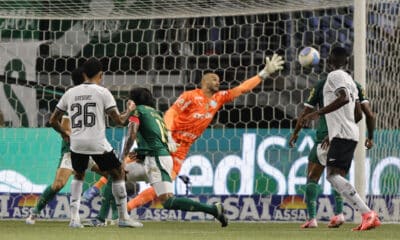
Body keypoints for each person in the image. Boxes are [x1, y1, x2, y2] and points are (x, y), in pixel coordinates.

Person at [83, 53, 285, 210]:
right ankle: (95, 189)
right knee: (125, 165)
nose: (218, 81)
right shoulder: (190, 95)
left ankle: (127, 208)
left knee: (163, 185)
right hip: (164, 140)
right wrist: (168, 134)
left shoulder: (219, 99)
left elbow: (241, 89)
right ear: (204, 82)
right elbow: (171, 112)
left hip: (182, 149)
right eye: (214, 78)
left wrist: (263, 74)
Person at [88, 87, 228, 227]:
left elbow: (131, 133)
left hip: (157, 160)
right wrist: (142, 152)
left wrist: (123, 158)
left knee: (167, 201)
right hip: (152, 158)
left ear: (133, 100)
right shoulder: (157, 114)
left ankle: (214, 210)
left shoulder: (138, 111)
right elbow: (157, 138)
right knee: (115, 175)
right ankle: (104, 219)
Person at [48, 58, 142, 228]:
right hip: (97, 142)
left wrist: (65, 134)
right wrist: (130, 109)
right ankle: (123, 217)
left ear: (83, 74)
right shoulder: (103, 92)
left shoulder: (70, 92)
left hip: (76, 143)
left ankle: (74, 219)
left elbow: (53, 120)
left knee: (79, 175)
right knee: (118, 173)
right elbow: (120, 121)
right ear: (101, 75)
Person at [301, 47, 380, 231]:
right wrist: (335, 130)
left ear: (330, 60)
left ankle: (367, 213)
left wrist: (317, 113)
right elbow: (358, 113)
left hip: (343, 134)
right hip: (347, 133)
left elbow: (344, 99)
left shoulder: (334, 76)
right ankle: (365, 215)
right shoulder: (352, 82)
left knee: (332, 176)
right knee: (334, 175)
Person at [26, 68, 101, 224]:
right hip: (72, 151)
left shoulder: (95, 95)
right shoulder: (73, 97)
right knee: (59, 184)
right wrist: (74, 136)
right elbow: (65, 129)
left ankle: (107, 216)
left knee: (115, 176)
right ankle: (34, 213)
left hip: (92, 148)